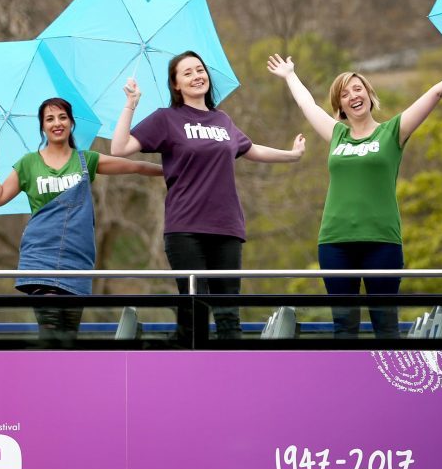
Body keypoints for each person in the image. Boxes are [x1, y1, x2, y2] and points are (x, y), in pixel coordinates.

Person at [266, 41, 442, 338]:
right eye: (345, 94)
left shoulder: (393, 132)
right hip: (335, 242)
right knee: (344, 328)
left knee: (385, 326)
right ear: (340, 106)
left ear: (369, 94)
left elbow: (435, 92)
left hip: (382, 243)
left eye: (357, 89)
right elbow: (307, 104)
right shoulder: (336, 135)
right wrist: (290, 75)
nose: (353, 96)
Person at [111, 50, 306, 340]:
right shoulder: (166, 119)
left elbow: (251, 149)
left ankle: (234, 378)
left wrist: (291, 155)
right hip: (186, 228)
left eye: (199, 70)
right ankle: (191, 378)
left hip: (227, 227)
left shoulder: (222, 120)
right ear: (175, 85)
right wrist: (130, 105)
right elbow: (120, 148)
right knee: (195, 313)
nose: (196, 76)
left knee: (229, 315)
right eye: (187, 73)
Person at [0, 96, 162, 342]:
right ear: (42, 126)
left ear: (71, 123)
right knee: (52, 328)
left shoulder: (85, 160)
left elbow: (135, 167)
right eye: (50, 118)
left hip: (77, 259)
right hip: (40, 256)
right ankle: (48, 377)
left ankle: (60, 377)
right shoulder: (28, 163)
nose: (57, 123)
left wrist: (174, 169)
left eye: (62, 117)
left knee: (68, 335)